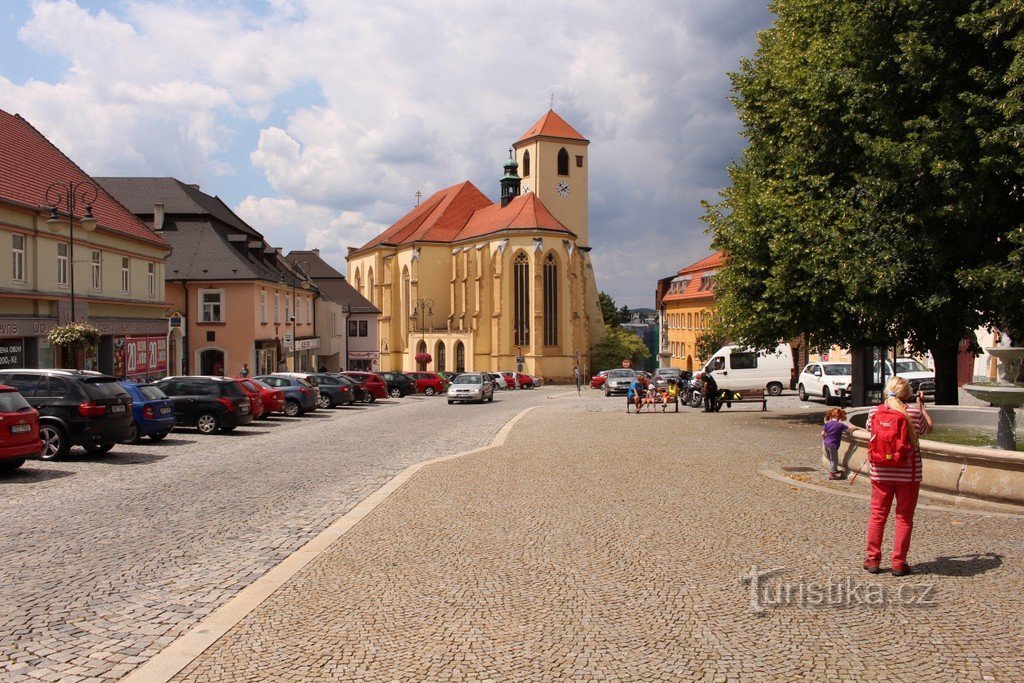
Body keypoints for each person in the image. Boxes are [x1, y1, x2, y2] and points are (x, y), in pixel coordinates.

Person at [863, 376, 933, 577]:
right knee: (904, 518)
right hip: (908, 473)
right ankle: (898, 563)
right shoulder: (912, 413)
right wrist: (922, 406)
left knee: (878, 515)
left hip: (880, 471)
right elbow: (929, 428)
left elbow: (871, 431)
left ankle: (873, 560)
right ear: (908, 394)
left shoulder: (874, 412)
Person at [821, 408, 848, 480]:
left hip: (826, 443)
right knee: (834, 459)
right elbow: (849, 429)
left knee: (831, 458)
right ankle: (832, 474)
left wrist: (824, 439)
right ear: (839, 417)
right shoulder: (840, 425)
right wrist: (855, 429)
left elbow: (822, 433)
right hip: (833, 445)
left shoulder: (827, 423)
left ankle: (834, 470)